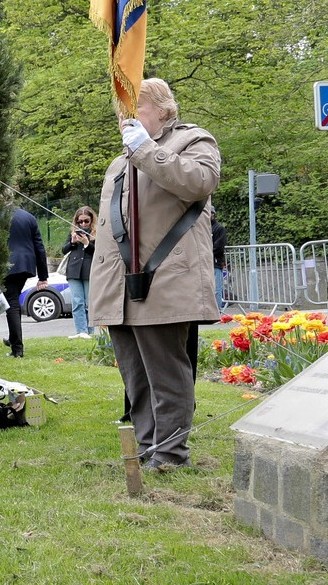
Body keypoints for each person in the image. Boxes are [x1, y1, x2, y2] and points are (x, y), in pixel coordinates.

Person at [88, 77, 221, 472]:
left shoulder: (192, 140)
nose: (125, 119)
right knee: (136, 377)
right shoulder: (119, 162)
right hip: (120, 286)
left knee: (166, 374)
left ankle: (171, 453)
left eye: (135, 109)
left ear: (164, 110)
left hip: (165, 279)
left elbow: (200, 182)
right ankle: (148, 449)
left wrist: (145, 150)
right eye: (122, 112)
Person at [4, 202, 47, 359]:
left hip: (6, 263)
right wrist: (43, 276)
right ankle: (13, 339)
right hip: (26, 264)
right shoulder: (28, 217)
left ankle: (17, 348)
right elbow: (39, 247)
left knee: (11, 304)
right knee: (13, 300)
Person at [61, 207, 97, 339]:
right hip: (74, 270)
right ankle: (81, 331)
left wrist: (87, 243)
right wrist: (72, 242)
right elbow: (64, 250)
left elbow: (99, 252)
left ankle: (90, 331)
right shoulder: (73, 232)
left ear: (91, 220)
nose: (83, 224)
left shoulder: (96, 233)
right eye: (80, 221)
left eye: (86, 221)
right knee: (77, 301)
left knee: (88, 302)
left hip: (89, 270)